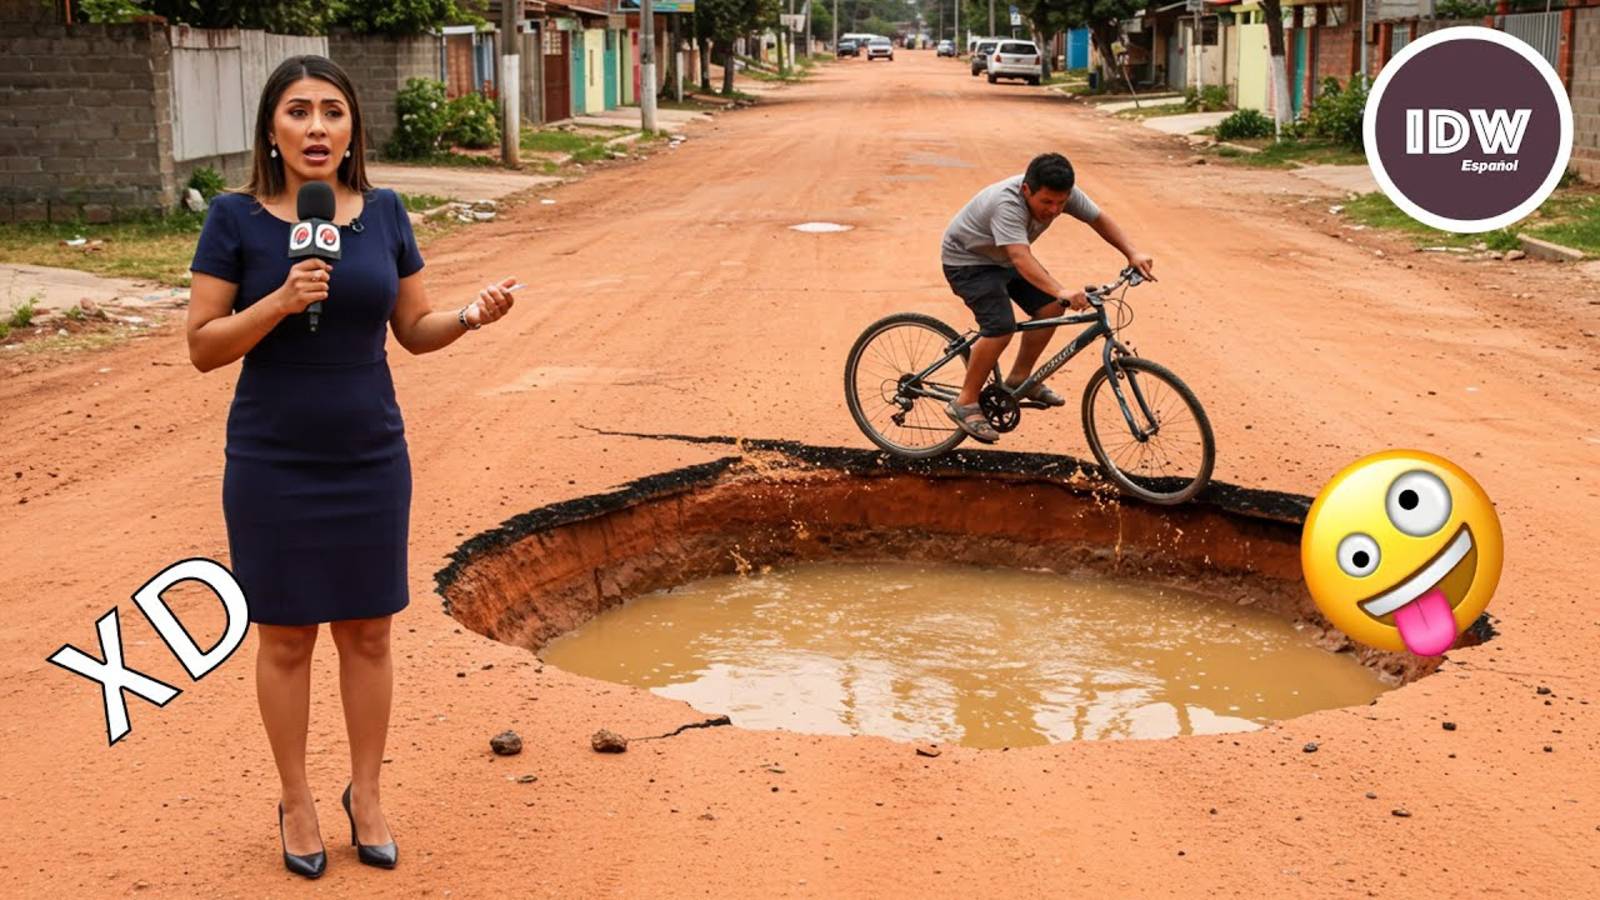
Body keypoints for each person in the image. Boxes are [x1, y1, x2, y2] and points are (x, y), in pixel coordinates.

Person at [185, 55, 518, 879]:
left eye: (332, 112)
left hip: (369, 454)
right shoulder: (233, 219)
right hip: (272, 459)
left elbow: (413, 329)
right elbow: (203, 346)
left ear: (352, 129)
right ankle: (296, 799)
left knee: (369, 630)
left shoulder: (387, 213)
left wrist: (469, 317)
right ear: (271, 129)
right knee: (286, 634)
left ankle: (365, 793)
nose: (317, 127)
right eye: (298, 111)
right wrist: (279, 299)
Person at [939, 152, 1154, 443]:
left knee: (1052, 306)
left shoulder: (1063, 193)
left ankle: (1020, 379)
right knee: (1000, 327)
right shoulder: (1006, 204)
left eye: (1061, 203)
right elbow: (1020, 256)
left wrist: (1132, 253)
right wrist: (1062, 290)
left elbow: (1098, 218)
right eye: (1047, 202)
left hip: (1003, 259)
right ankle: (965, 402)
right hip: (967, 261)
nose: (1054, 210)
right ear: (1026, 190)